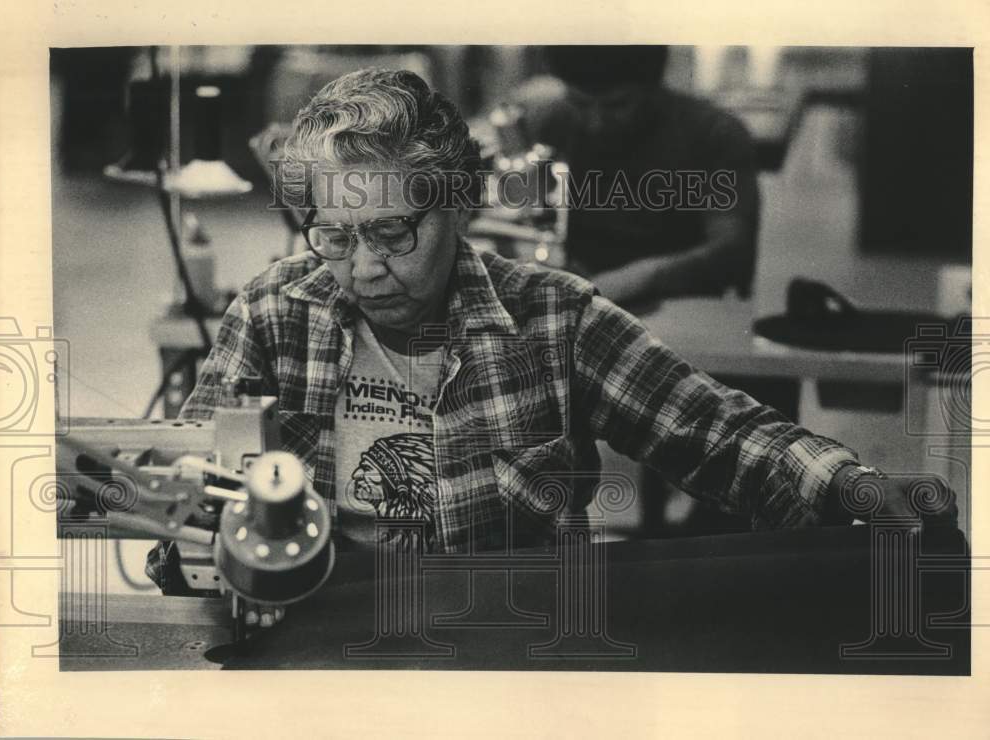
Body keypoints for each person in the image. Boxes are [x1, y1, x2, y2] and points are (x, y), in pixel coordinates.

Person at [147, 68, 955, 623]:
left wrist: (850, 487)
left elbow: (722, 437)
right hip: (318, 637)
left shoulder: (552, 320)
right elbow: (189, 499)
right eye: (335, 236)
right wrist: (181, 525)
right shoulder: (272, 312)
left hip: (504, 644)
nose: (363, 268)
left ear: (459, 206)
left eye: (392, 233)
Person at [499, 45, 760, 307]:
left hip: (681, 309)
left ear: (652, 89)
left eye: (616, 106)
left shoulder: (714, 134)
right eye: (580, 103)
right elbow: (530, 219)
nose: (595, 122)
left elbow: (733, 252)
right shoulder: (555, 121)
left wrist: (640, 277)